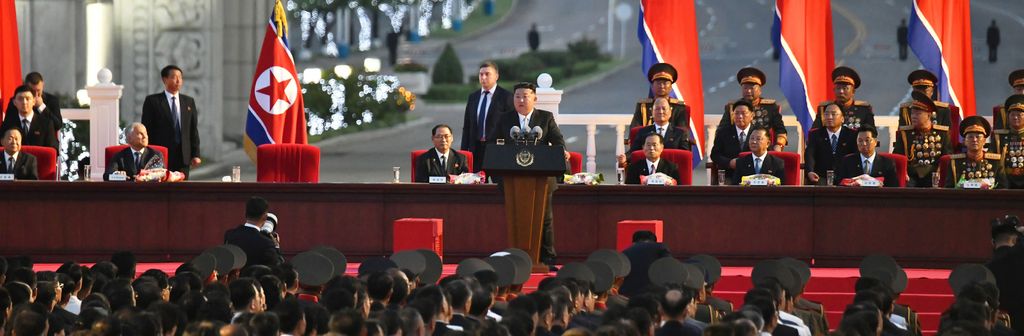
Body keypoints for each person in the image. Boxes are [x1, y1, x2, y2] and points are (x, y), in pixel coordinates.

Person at [495, 82, 567, 268]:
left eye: (525, 96)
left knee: (545, 219)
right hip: (512, 182)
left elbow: (559, 143)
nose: (520, 100)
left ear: (534, 99)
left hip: (542, 181)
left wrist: (562, 152)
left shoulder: (545, 118)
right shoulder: (505, 119)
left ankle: (547, 258)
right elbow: (492, 145)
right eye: (517, 96)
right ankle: (515, 257)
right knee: (516, 218)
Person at [142, 65, 201, 177]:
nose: (178, 80)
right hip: (160, 155)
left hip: (183, 156)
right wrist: (147, 154)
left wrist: (196, 154)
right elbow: (146, 129)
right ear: (165, 79)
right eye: (174, 77)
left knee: (182, 190)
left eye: (180, 77)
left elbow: (193, 130)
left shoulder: (188, 102)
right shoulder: (153, 101)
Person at [461, 62, 514, 173]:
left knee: (498, 186)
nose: (483, 77)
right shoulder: (473, 97)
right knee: (476, 185)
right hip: (476, 150)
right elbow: (467, 127)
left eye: (487, 74)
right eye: (481, 74)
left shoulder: (506, 97)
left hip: (497, 150)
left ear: (496, 76)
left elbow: (511, 126)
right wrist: (463, 152)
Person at [719, 67, 788, 151]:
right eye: (745, 88)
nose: (748, 91)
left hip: (762, 149)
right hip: (738, 150)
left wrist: (779, 145)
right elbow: (722, 131)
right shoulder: (732, 107)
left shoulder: (770, 107)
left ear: (759, 90)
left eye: (751, 88)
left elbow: (780, 129)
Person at [894, 91, 951, 187]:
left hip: (933, 174)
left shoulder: (942, 133)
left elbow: (947, 156)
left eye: (918, 114)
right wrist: (903, 172)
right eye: (912, 114)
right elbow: (897, 156)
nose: (913, 117)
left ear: (928, 115)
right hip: (911, 174)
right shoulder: (905, 133)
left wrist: (940, 171)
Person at [617, 97, 689, 169]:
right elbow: (634, 152)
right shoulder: (643, 132)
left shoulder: (680, 133)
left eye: (664, 109)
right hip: (647, 172)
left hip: (672, 172)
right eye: (657, 109)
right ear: (652, 113)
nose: (661, 112)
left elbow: (685, 156)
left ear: (670, 112)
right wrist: (625, 157)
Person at [942, 116, 1007, 189]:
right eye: (970, 137)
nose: (974, 140)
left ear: (984, 141)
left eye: (978, 137)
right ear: (964, 141)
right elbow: (949, 189)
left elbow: (1003, 188)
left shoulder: (995, 162)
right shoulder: (955, 162)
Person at [805, 103, 858, 185]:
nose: (829, 117)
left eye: (833, 114)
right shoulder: (815, 134)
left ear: (842, 119)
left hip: (846, 178)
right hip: (821, 177)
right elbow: (810, 155)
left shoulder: (852, 135)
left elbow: (855, 156)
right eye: (826, 114)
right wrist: (810, 171)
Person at [224, 197, 285, 268]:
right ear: (265, 217)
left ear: (245, 214)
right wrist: (276, 246)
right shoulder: (267, 243)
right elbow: (278, 268)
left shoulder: (230, 235)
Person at [630, 63, 691, 130]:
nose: (662, 86)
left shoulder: (679, 107)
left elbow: (683, 132)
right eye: (658, 83)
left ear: (671, 87)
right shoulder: (643, 106)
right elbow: (634, 130)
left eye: (665, 83)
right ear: (652, 86)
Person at [835, 125, 899, 187]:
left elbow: (893, 188)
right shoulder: (848, 161)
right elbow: (840, 184)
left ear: (875, 142)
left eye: (867, 140)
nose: (864, 144)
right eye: (860, 141)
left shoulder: (887, 163)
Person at [1, 85, 58, 151]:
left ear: (34, 101)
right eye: (20, 99)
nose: (24, 102)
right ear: (14, 102)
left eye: (28, 99)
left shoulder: (46, 124)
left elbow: (53, 151)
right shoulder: (7, 125)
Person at [711, 99, 755, 183]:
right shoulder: (723, 132)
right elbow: (715, 154)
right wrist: (729, 162)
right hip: (730, 175)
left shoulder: (759, 132)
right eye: (737, 113)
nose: (740, 116)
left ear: (752, 115)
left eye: (743, 113)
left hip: (753, 175)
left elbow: (766, 154)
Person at [992, 94, 1024, 189]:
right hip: (1005, 182)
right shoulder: (999, 137)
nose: (1015, 118)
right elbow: (993, 162)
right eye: (1012, 114)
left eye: (1019, 115)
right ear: (1007, 116)